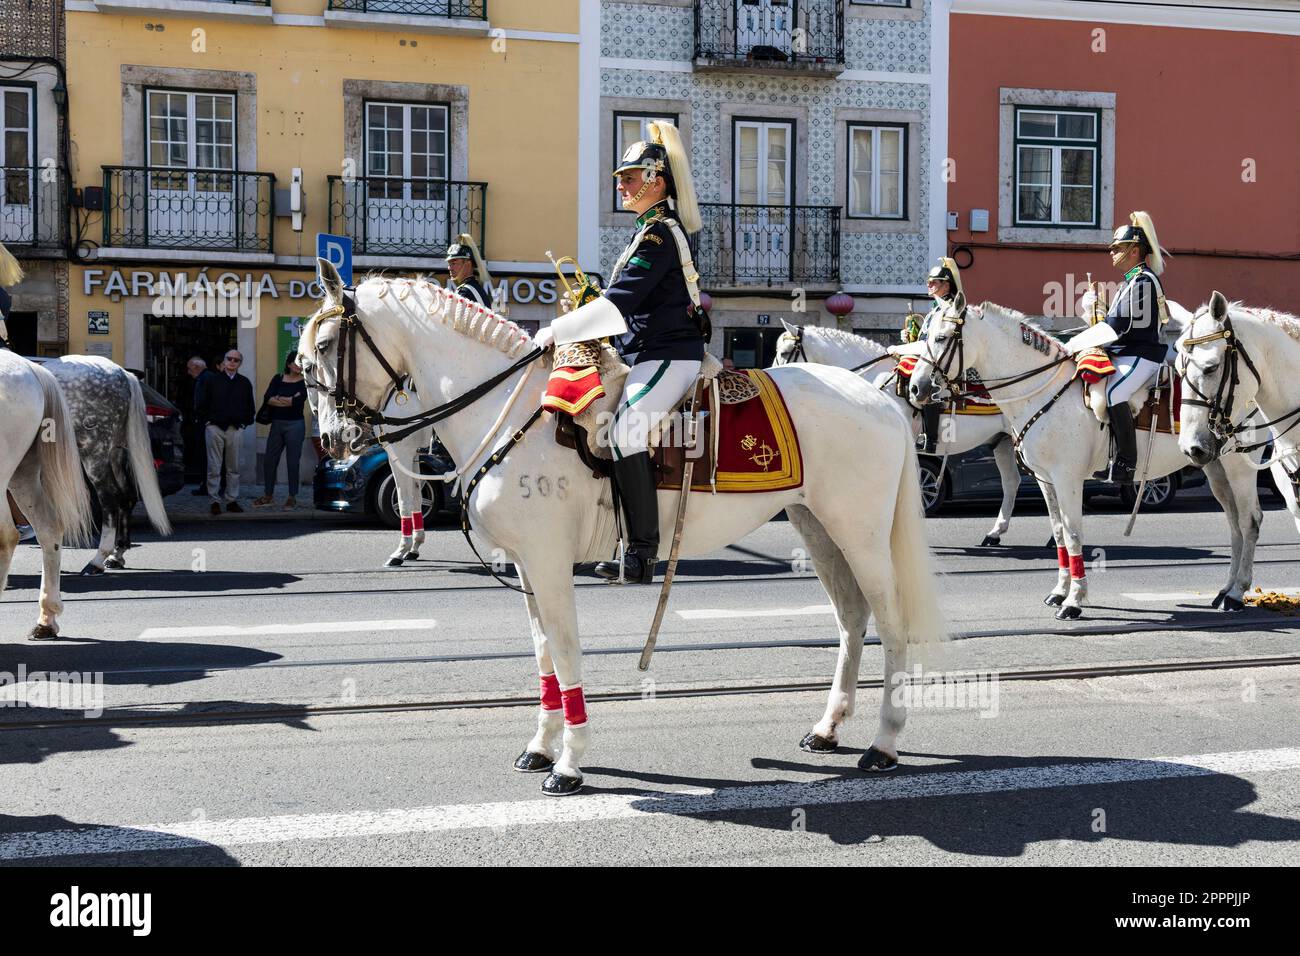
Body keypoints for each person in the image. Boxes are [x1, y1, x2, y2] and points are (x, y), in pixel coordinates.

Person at [535, 120, 706, 585]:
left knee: (627, 432)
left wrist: (555, 329)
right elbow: (621, 301)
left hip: (669, 352)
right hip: (645, 351)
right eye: (622, 177)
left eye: (632, 176)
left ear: (658, 181)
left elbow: (619, 307)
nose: (623, 184)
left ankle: (642, 552)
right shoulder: (646, 231)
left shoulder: (657, 235)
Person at [1069, 211, 1169, 485]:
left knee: (1114, 393)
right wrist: (1094, 311)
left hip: (1141, 354)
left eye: (1118, 248)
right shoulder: (1131, 281)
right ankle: (1104, 455)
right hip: (1125, 352)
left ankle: (1126, 464)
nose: (1112, 253)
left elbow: (1117, 327)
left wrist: (1073, 344)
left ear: (1135, 250)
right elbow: (1114, 322)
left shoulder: (1144, 281)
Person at [909, 258, 963, 454]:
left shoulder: (949, 309)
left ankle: (930, 438)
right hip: (929, 352)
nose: (929, 285)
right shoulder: (936, 308)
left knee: (929, 380)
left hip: (944, 358)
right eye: (928, 281)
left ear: (946, 285)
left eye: (934, 282)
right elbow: (926, 337)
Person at [197, 349, 256, 514]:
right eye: (229, 358)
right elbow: (201, 404)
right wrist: (207, 423)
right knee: (214, 467)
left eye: (236, 360)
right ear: (223, 361)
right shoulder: (212, 381)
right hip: (214, 428)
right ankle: (214, 500)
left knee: (234, 468)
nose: (232, 362)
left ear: (240, 364)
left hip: (235, 429)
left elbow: (250, 407)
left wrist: (244, 423)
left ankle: (231, 500)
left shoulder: (244, 383)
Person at [254, 351, 309, 509]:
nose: (299, 366)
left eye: (301, 362)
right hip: (277, 424)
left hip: (295, 425)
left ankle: (292, 496)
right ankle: (268, 495)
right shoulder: (278, 378)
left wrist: (279, 399)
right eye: (297, 362)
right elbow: (268, 398)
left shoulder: (304, 382)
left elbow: (298, 402)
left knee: (293, 462)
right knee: (269, 460)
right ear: (289, 364)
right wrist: (288, 400)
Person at [445, 234, 493, 308]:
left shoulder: (466, 292)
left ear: (468, 264)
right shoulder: (472, 288)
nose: (449, 268)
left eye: (453, 263)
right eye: (449, 264)